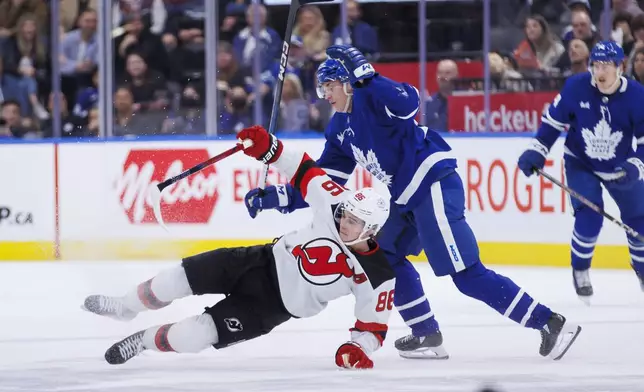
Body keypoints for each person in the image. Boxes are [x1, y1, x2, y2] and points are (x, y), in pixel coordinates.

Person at [244, 44, 582, 361]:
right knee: (383, 255)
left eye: (330, 85)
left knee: (467, 275)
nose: (326, 94)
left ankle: (550, 323)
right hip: (406, 198)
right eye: (322, 88)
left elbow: (409, 102)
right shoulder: (339, 129)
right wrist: (277, 196)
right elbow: (323, 180)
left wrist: (370, 77)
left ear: (348, 83)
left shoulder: (371, 98)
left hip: (432, 184)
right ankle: (425, 333)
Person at [82, 125, 395, 369]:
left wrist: (357, 348)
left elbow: (373, 327)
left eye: (354, 222)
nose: (344, 222)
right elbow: (303, 168)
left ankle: (142, 342)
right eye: (346, 214)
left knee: (192, 337)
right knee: (170, 280)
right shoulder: (336, 201)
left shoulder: (378, 274)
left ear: (371, 230)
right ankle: (125, 306)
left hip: (271, 308)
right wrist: (269, 148)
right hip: (257, 261)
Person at [518, 41, 644, 304]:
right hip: (581, 163)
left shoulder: (636, 95)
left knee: (638, 222)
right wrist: (537, 151)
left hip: (620, 167)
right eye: (596, 65)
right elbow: (553, 123)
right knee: (590, 218)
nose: (600, 71)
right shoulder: (576, 87)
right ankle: (581, 268)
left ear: (620, 67)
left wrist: (635, 165)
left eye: (606, 65)